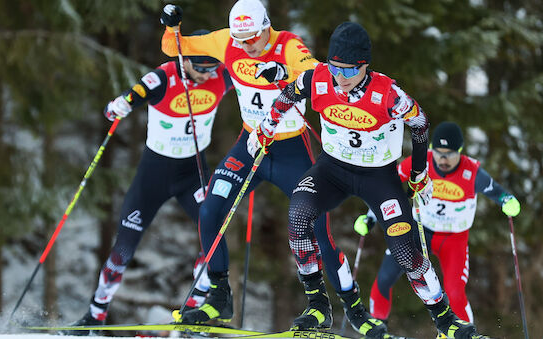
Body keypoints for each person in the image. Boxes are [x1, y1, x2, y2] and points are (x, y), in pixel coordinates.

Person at [250, 22, 488, 338]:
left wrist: (419, 174)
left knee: (406, 251)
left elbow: (419, 123)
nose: (341, 78)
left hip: (379, 178)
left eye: (349, 71)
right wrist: (267, 127)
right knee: (298, 214)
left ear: (365, 65)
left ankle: (445, 318)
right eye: (335, 68)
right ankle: (318, 304)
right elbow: (290, 93)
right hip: (332, 170)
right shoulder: (319, 78)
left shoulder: (388, 94)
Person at [160, 0, 348, 326]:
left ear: (266, 28)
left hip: (291, 149)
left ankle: (321, 305)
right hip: (250, 146)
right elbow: (173, 47)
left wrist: (285, 72)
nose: (245, 46)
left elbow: (320, 74)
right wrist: (171, 26)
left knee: (316, 225)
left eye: (251, 39)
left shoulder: (288, 44)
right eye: (239, 39)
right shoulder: (227, 41)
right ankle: (219, 298)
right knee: (211, 207)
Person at [62, 30, 233, 335]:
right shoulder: (163, 79)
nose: (208, 74)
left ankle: (194, 313)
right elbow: (129, 98)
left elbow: (254, 78)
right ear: (184, 59)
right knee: (123, 248)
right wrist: (118, 107)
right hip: (154, 174)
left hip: (192, 172)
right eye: (201, 68)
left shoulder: (222, 75)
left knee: (215, 235)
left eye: (212, 67)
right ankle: (94, 316)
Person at [352, 121, 521, 324]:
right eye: (438, 152)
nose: (443, 159)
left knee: (454, 292)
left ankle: (465, 336)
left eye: (449, 153)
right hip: (418, 231)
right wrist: (370, 217)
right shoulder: (421, 162)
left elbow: (498, 193)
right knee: (384, 279)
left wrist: (507, 201)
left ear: (460, 151)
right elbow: (388, 188)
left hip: (453, 238)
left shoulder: (472, 173)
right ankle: (376, 329)